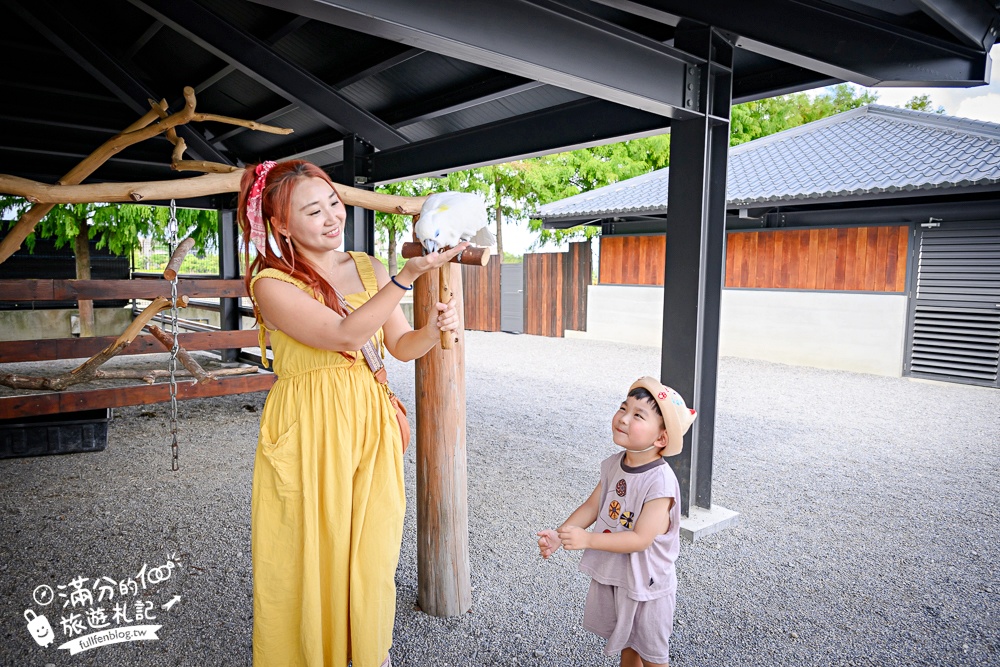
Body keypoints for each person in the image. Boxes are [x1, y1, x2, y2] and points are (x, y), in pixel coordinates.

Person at [237, 159, 468, 667]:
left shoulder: (369, 267)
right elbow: (344, 335)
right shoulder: (271, 283)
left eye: (334, 204)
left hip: (369, 420)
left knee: (372, 550)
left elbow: (401, 346)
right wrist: (407, 278)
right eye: (312, 210)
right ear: (280, 225)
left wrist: (434, 327)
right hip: (308, 425)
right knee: (307, 552)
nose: (330, 217)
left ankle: (366, 653)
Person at [537, 377, 697, 667]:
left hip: (649, 587)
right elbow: (593, 505)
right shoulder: (614, 464)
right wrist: (562, 535)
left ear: (661, 438)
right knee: (627, 646)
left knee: (652, 657)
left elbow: (641, 539)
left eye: (637, 415)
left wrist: (588, 539)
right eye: (623, 408)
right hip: (622, 578)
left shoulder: (659, 481)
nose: (623, 418)